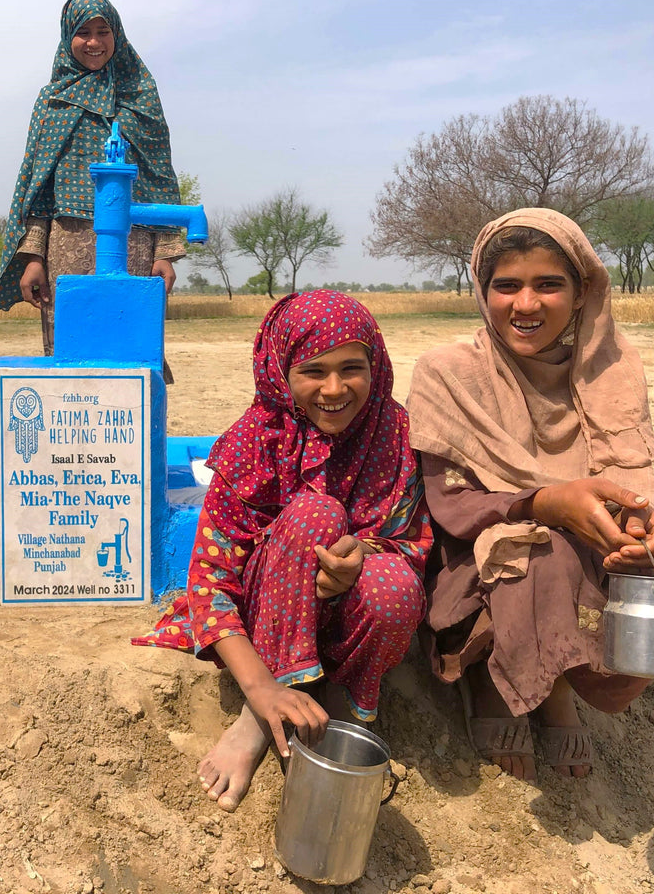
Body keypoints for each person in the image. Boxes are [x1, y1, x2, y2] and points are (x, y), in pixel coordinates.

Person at [407, 208, 654, 781]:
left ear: (582, 294)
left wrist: (642, 526)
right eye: (506, 285)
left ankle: (556, 673)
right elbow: (451, 506)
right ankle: (507, 684)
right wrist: (545, 503)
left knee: (653, 576)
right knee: (534, 551)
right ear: (483, 291)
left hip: (585, 545)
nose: (525, 305)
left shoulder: (611, 372)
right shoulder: (448, 372)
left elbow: (629, 485)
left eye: (548, 285)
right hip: (477, 556)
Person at [135, 290, 432, 811]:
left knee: (396, 586)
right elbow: (210, 579)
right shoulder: (257, 438)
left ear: (376, 364)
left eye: (351, 368)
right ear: (281, 369)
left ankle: (338, 705)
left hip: (346, 619)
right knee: (316, 513)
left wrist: (359, 556)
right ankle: (259, 713)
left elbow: (409, 542)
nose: (335, 389)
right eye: (313, 371)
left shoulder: (393, 432)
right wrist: (259, 689)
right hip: (264, 611)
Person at [0, 0, 184, 381]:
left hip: (133, 244)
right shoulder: (52, 100)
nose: (94, 42)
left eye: (103, 31)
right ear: (68, 38)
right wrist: (34, 257)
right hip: (65, 243)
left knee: (131, 347)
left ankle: (134, 438)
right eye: (83, 32)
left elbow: (158, 176)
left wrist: (164, 252)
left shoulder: (141, 96)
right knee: (71, 354)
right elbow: (38, 184)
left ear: (118, 35)